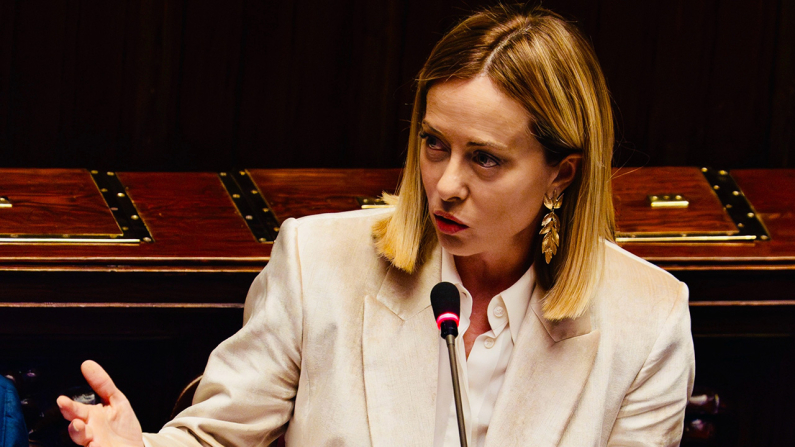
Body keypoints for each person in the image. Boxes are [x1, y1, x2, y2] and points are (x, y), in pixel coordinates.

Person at [58, 4, 695, 446]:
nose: (446, 184)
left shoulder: (646, 321)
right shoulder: (319, 262)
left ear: (563, 174)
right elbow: (216, 437)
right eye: (435, 144)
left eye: (485, 158)